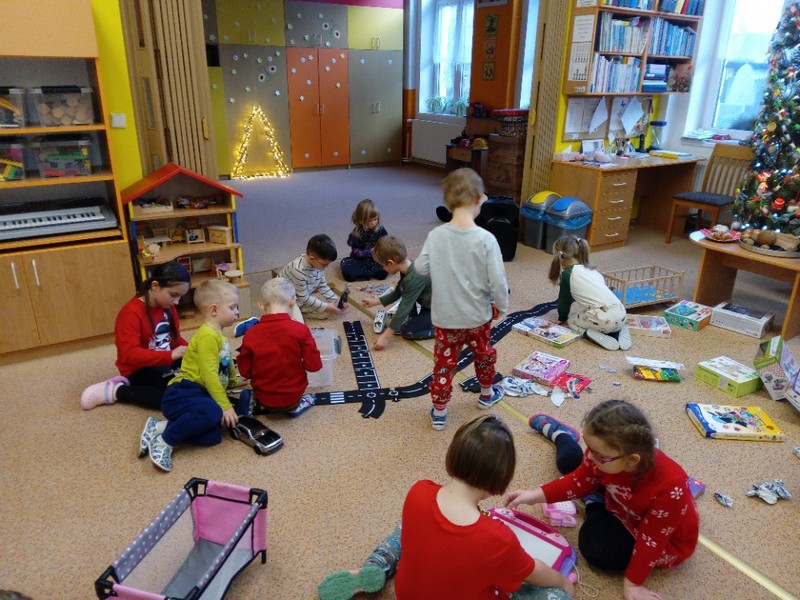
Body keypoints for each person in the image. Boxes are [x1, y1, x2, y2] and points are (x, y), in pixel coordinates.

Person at [317, 415, 575, 600]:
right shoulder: (497, 538)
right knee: (543, 590)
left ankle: (379, 564)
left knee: (405, 528)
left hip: (406, 594)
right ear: (500, 478)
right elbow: (534, 571)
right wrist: (563, 582)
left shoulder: (419, 490)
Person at [505, 400, 699, 600]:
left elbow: (651, 541)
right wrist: (534, 495)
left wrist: (633, 585)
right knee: (570, 462)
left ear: (632, 460)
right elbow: (577, 481)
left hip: (652, 533)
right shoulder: (606, 458)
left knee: (597, 548)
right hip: (619, 499)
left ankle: (594, 502)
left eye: (599, 455)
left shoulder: (669, 486)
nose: (590, 456)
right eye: (588, 447)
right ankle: (562, 435)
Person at [415, 168, 509, 430]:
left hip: (446, 319)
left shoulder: (436, 236)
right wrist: (502, 306)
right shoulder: (486, 239)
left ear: (448, 202)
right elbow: (498, 281)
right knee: (483, 355)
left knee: (444, 364)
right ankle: (486, 395)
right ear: (479, 199)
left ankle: (439, 411)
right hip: (478, 317)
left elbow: (421, 268)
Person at [139, 279, 241, 472]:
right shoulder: (207, 336)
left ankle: (160, 427)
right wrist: (225, 405)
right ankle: (165, 440)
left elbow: (226, 361)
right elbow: (209, 374)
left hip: (200, 394)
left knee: (213, 436)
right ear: (214, 310)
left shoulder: (219, 335)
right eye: (233, 307)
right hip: (183, 391)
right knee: (214, 412)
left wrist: (234, 381)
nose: (237, 312)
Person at [80, 261, 191, 411]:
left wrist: (192, 349)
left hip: (163, 359)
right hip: (137, 368)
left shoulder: (168, 306)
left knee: (196, 379)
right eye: (173, 295)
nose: (176, 302)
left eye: (180, 297)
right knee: (170, 398)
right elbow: (129, 354)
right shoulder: (130, 313)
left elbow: (175, 339)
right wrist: (170, 355)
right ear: (155, 286)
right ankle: (116, 391)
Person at [236, 277, 322, 418]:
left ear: (261, 305)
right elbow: (314, 366)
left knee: (257, 390)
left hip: (263, 396)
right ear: (293, 301)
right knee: (298, 393)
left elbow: (245, 371)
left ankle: (255, 401)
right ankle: (296, 407)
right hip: (293, 397)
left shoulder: (251, 333)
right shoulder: (301, 330)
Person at [549, 235, 630, 351]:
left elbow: (564, 301)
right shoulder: (593, 271)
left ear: (561, 257)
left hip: (603, 320)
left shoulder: (567, 274)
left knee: (571, 320)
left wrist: (562, 317)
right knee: (600, 315)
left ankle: (590, 334)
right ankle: (620, 329)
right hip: (621, 312)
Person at [361, 235, 433, 350]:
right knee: (407, 300)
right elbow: (399, 291)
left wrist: (387, 335)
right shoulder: (407, 268)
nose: (383, 269)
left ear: (390, 263)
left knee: (407, 331)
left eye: (382, 265)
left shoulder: (413, 278)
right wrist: (376, 301)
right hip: (428, 302)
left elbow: (405, 306)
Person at [279, 233, 344, 323]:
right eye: (324, 264)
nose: (326, 267)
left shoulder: (318, 266)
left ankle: (302, 309)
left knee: (327, 312)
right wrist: (326, 306)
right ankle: (298, 310)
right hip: (286, 298)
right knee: (298, 324)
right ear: (312, 258)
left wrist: (336, 300)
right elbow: (304, 297)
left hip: (301, 295)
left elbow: (322, 285)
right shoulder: (297, 270)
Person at [340, 199, 389, 282]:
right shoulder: (356, 233)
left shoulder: (380, 230)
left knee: (383, 273)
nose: (373, 223)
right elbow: (355, 251)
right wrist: (368, 252)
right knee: (349, 275)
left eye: (375, 219)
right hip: (360, 260)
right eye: (370, 220)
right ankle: (367, 274)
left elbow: (386, 243)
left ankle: (367, 273)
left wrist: (380, 250)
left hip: (375, 260)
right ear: (361, 220)